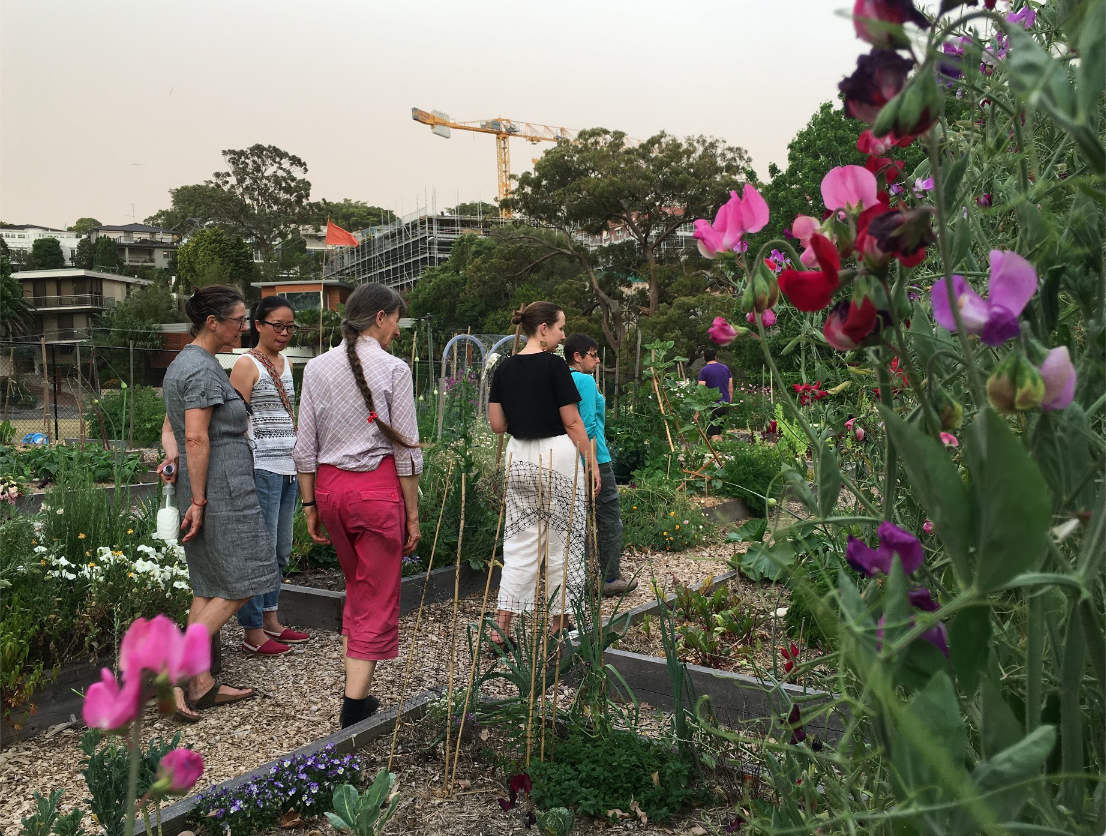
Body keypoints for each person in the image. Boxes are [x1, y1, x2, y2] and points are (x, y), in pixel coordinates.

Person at [293, 283, 422, 729]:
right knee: (376, 597)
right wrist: (413, 514)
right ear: (381, 317)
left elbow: (304, 444)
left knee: (358, 588)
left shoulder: (315, 367)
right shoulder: (394, 369)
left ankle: (359, 695)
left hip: (330, 491)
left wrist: (309, 502)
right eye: (396, 323)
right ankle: (353, 710)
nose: (397, 333)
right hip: (377, 493)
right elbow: (406, 451)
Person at [158, 285, 281, 722]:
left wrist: (182, 472)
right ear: (213, 322)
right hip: (222, 488)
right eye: (238, 319)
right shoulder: (204, 370)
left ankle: (201, 683)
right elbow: (194, 434)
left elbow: (174, 430)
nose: (244, 327)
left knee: (208, 583)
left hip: (208, 482)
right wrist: (199, 499)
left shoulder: (185, 364)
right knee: (246, 577)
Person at [488, 302, 598, 647]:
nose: (564, 336)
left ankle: (500, 628)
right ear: (544, 329)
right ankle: (561, 625)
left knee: (519, 542)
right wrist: (591, 462)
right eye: (561, 328)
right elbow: (572, 421)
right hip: (558, 457)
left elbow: (497, 425)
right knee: (564, 541)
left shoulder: (504, 368)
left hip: (519, 457)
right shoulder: (554, 366)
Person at [229, 296, 311, 656]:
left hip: (288, 468)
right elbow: (234, 419)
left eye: (290, 326)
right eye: (277, 325)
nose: (284, 333)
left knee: (280, 549)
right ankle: (252, 630)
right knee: (259, 551)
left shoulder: (286, 363)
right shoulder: (246, 365)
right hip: (261, 466)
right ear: (258, 325)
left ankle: (271, 618)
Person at [563, 333, 637, 598]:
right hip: (594, 458)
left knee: (572, 520)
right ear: (577, 356)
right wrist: (591, 463)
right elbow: (587, 424)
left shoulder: (559, 379)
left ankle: (570, 578)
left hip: (565, 458)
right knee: (608, 519)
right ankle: (609, 578)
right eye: (593, 355)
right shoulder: (583, 380)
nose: (596, 360)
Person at [697, 348, 734, 440]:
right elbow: (730, 389)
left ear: (704, 358)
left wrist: (697, 411)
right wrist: (728, 404)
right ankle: (720, 453)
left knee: (713, 433)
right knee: (719, 433)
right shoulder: (725, 369)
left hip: (711, 406)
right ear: (715, 357)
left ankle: (716, 453)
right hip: (724, 404)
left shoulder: (704, 371)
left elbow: (700, 391)